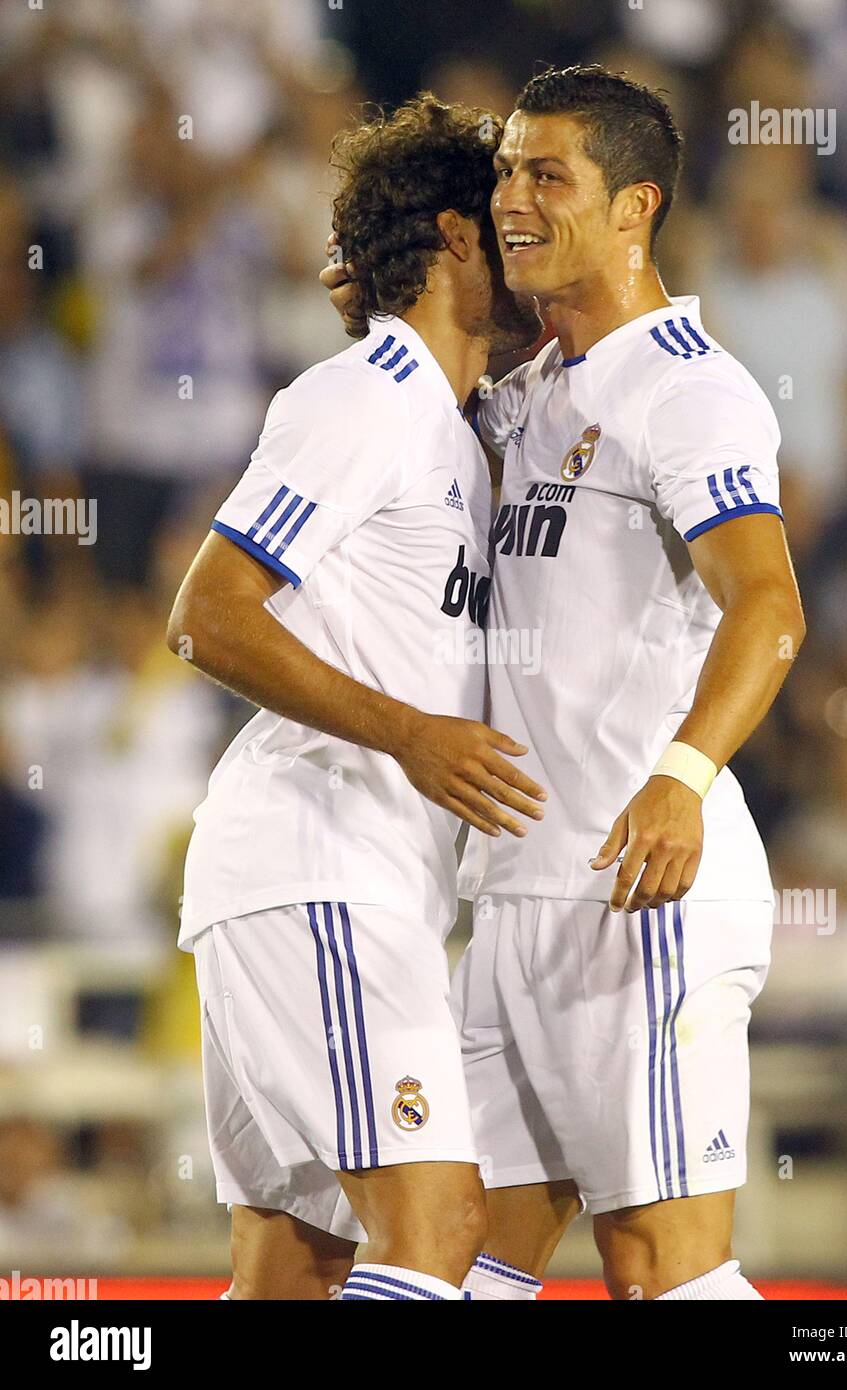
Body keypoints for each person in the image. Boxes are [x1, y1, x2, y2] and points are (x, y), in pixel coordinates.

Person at [328, 65, 805, 1301]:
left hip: (641, 892)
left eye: (549, 174)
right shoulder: (530, 388)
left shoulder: (687, 389)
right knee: (462, 1251)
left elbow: (768, 605)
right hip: (520, 892)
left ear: (634, 205)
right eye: (504, 172)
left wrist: (682, 777)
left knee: (658, 1265)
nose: (513, 200)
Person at [168, 94, 543, 1302]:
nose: (528, 238)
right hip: (316, 862)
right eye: (506, 219)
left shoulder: (450, 430)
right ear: (451, 238)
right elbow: (207, 613)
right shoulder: (365, 395)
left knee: (295, 1266)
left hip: (340, 881)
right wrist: (411, 735)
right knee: (436, 1227)